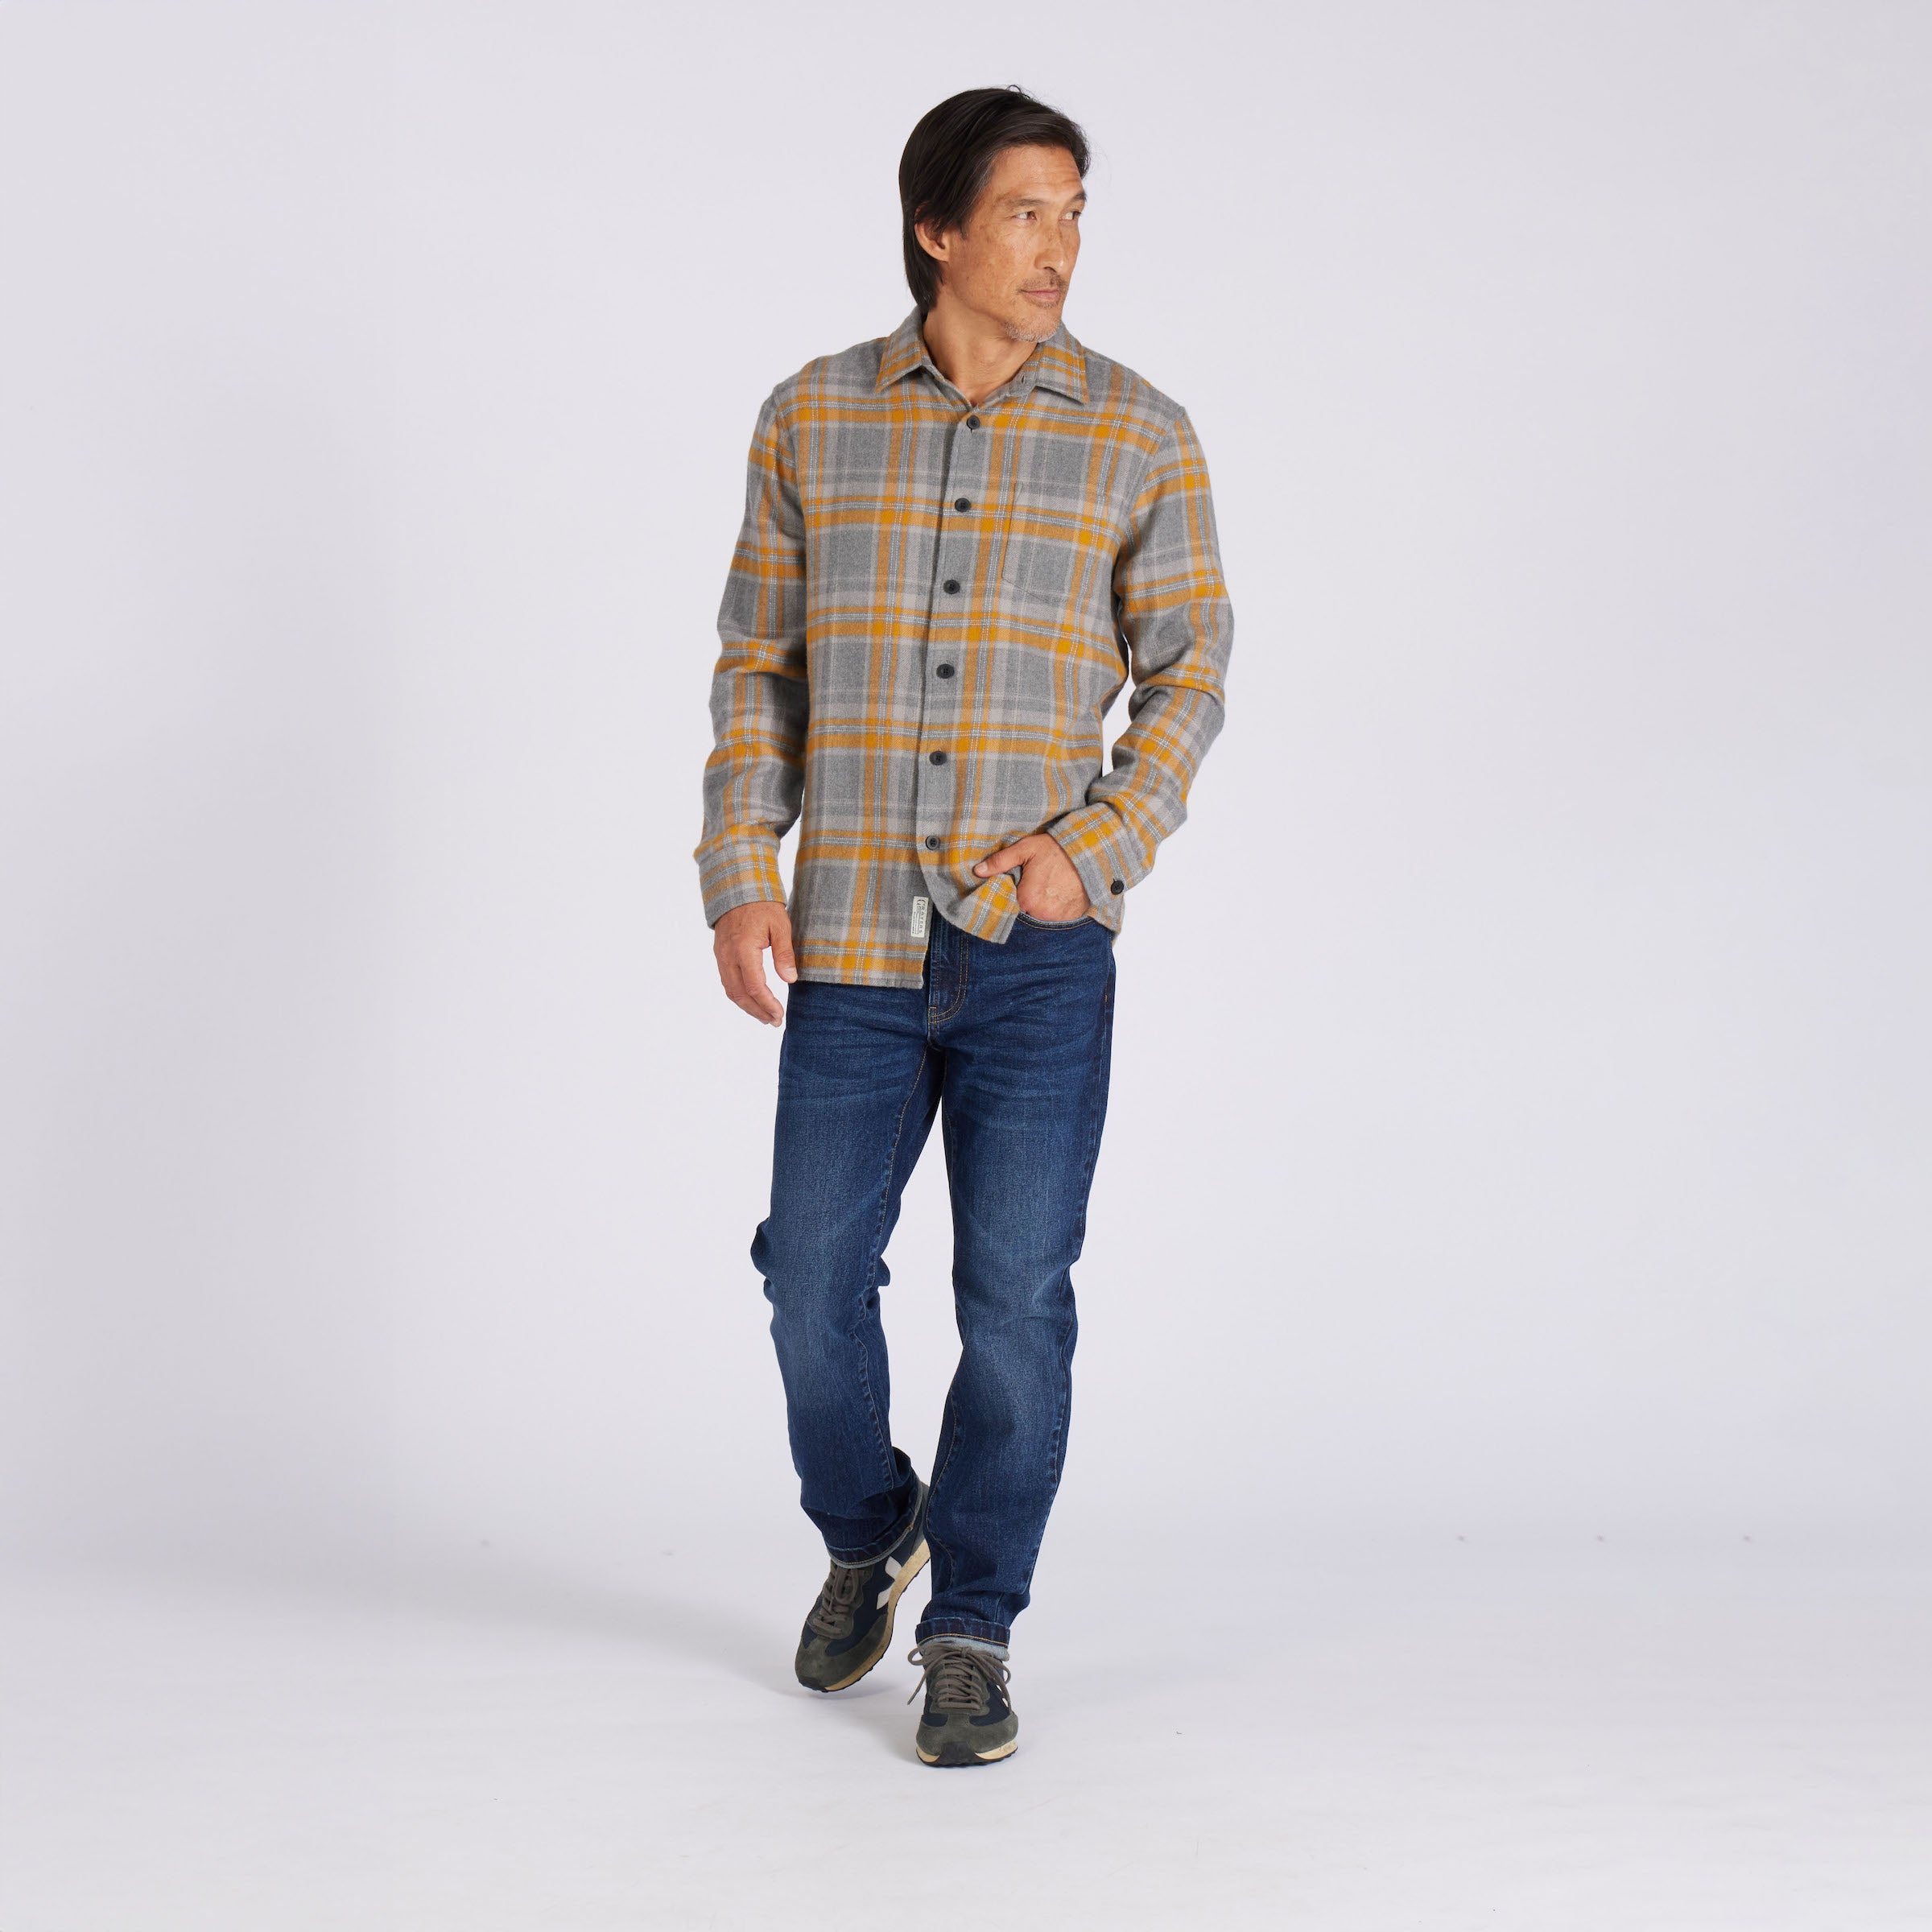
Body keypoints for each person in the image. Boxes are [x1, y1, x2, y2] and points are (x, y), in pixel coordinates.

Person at [695, 85, 1233, 1767]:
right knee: (808, 1276)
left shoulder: (1140, 431)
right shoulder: (812, 416)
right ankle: (873, 1527)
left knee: (1015, 1296)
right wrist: (737, 865)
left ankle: (974, 1628)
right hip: (852, 934)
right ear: (937, 229)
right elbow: (758, 665)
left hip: (1036, 952)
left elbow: (1191, 675)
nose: (1059, 248)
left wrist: (1101, 843)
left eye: (1074, 215)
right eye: (1024, 213)